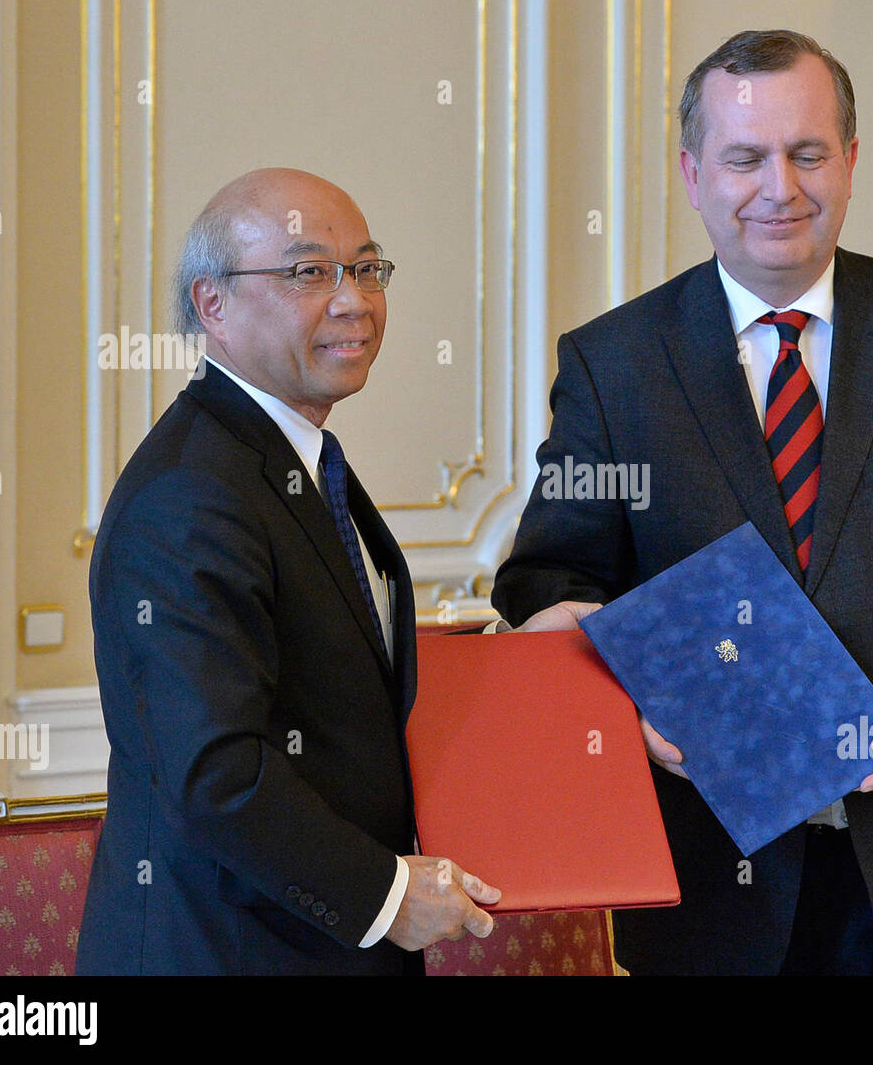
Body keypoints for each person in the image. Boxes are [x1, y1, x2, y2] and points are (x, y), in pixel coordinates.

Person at [491, 29, 873, 975]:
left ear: (851, 160)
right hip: (712, 880)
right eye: (745, 158)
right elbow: (545, 579)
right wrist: (626, 693)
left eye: (808, 153)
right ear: (693, 175)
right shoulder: (615, 363)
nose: (781, 187)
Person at [77, 168, 586, 975]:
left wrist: (517, 652)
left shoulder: (284, 458)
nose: (354, 300)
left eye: (367, 269)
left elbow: (319, 659)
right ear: (212, 304)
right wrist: (385, 894)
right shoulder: (189, 495)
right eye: (309, 272)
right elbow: (215, 772)